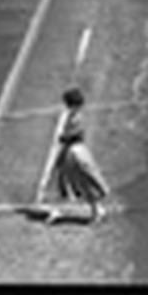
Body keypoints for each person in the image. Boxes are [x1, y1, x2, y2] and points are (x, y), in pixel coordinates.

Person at [47, 86, 110, 224]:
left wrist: (63, 138)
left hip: (75, 153)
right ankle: (95, 210)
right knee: (71, 182)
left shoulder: (76, 118)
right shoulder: (73, 116)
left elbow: (74, 135)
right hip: (73, 151)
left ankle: (96, 211)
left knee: (84, 182)